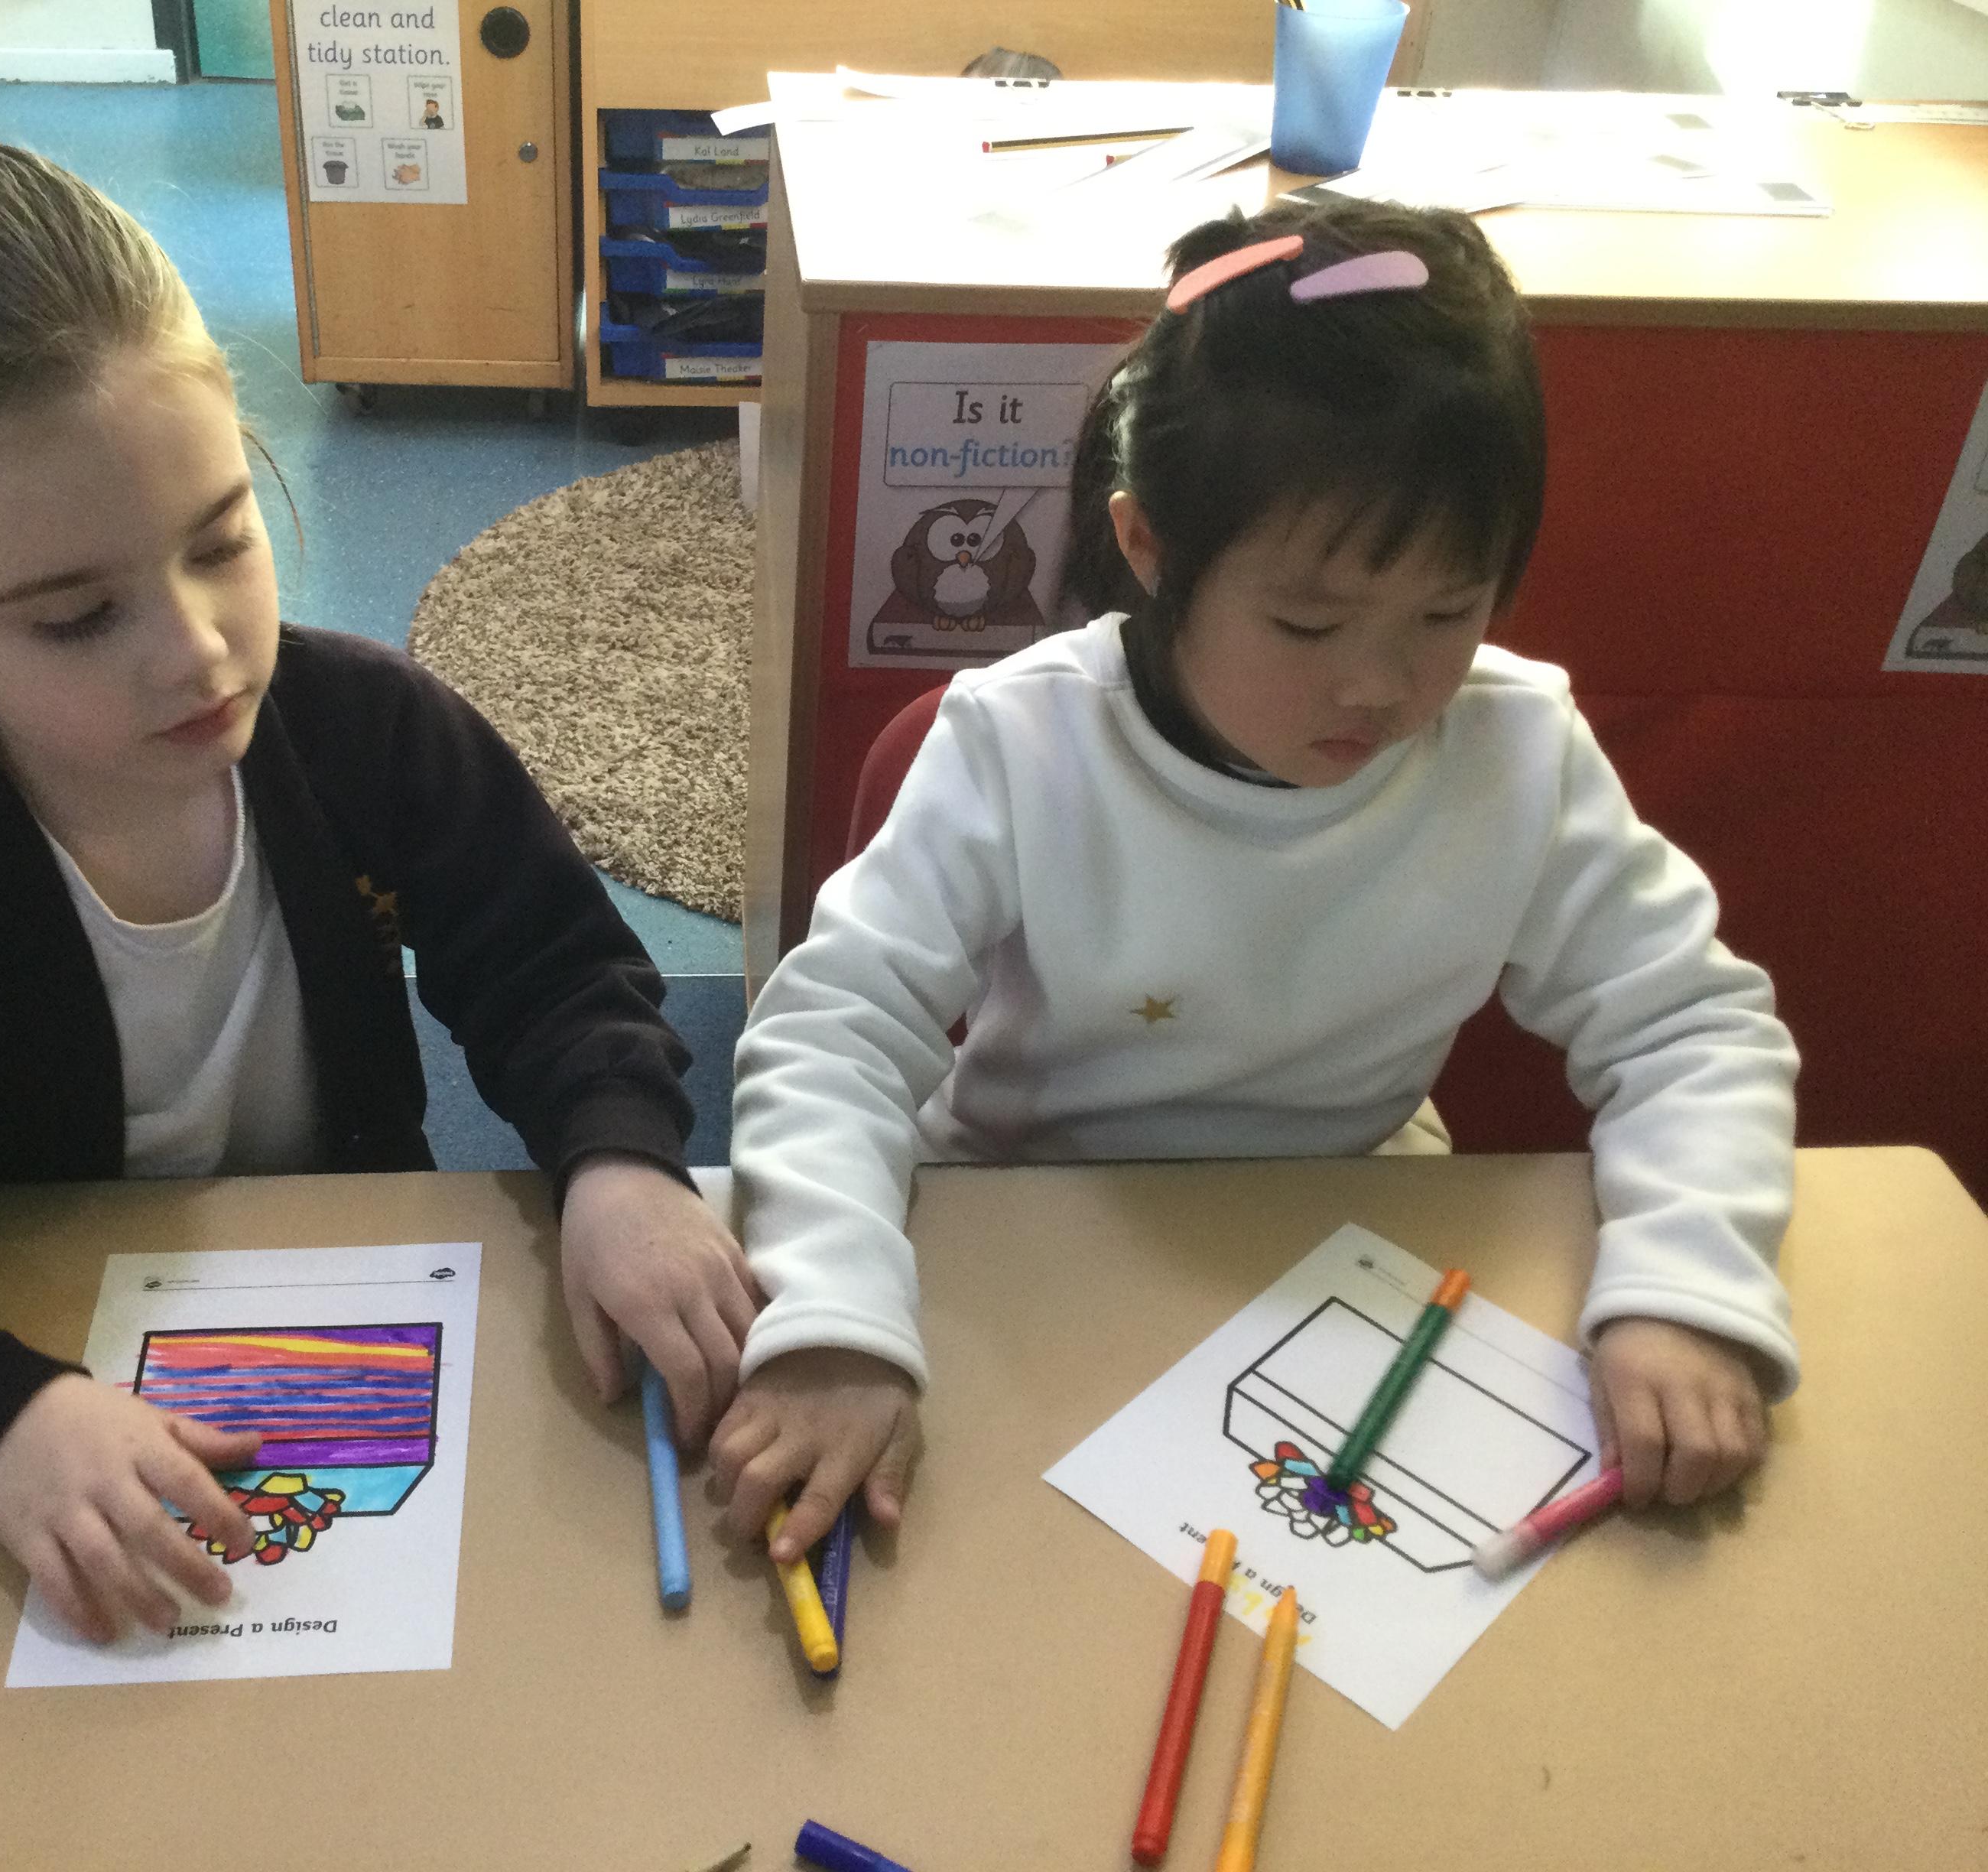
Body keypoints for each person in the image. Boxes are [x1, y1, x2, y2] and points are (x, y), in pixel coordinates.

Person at [0, 142, 757, 1643]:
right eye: (78, 617)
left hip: (329, 1318)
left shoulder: (368, 732)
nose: (200, 650)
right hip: (19, 1362)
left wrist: (617, 1162)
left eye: (222, 539)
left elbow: (553, 972)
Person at [712, 197, 1799, 1565]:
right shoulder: (1021, 744)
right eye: (1307, 622)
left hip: (1353, 1228)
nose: (1379, 686)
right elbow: (833, 1031)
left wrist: (1687, 1287)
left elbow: (1692, 1028)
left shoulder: (1516, 752)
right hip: (1023, 1212)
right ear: (1151, 547)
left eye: (1448, 612)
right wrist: (834, 1320)